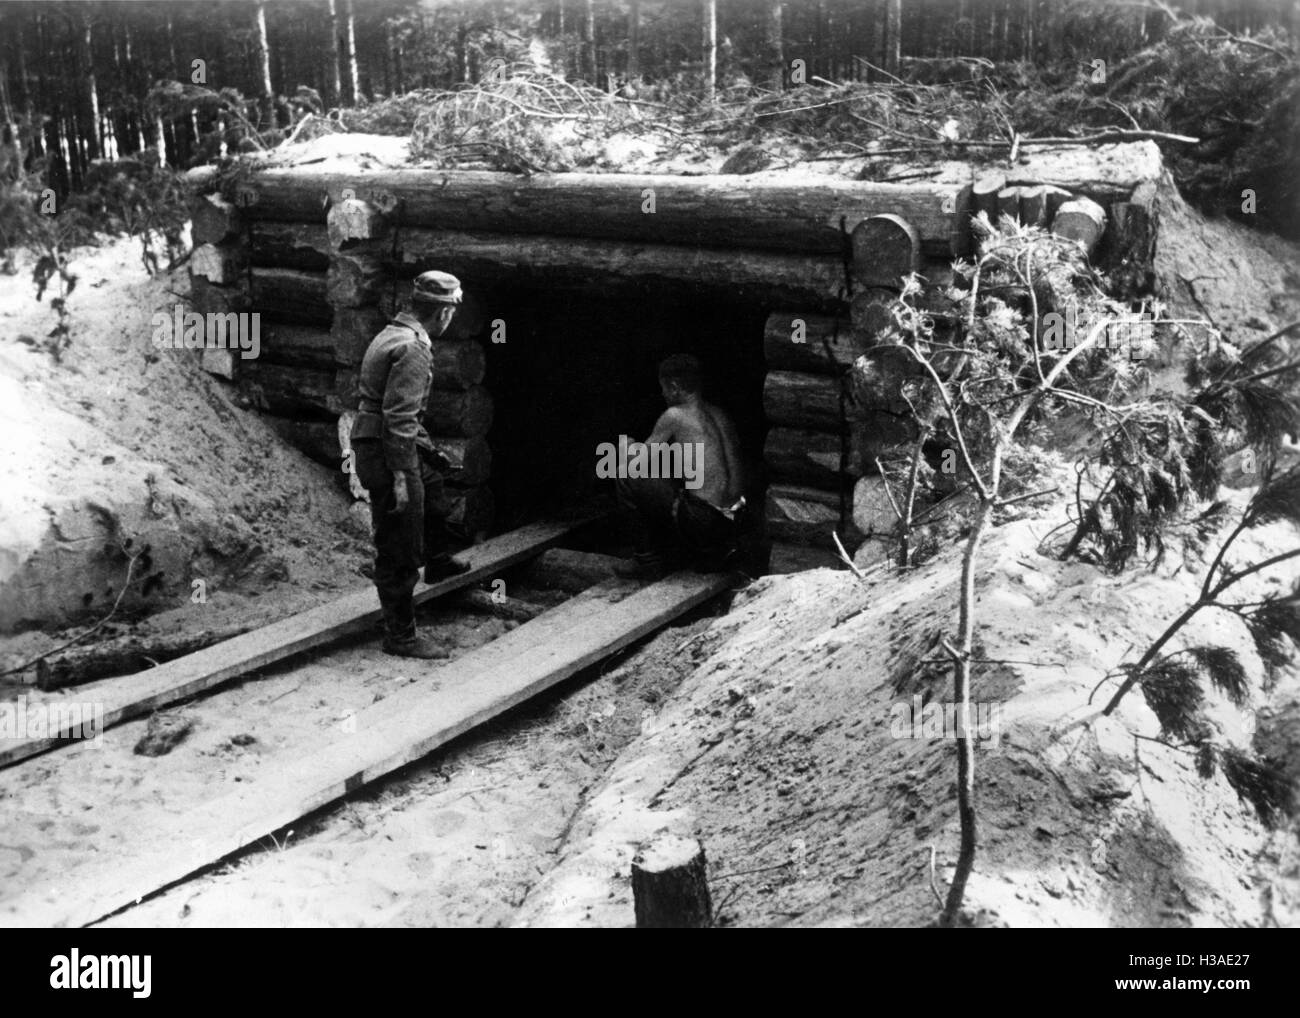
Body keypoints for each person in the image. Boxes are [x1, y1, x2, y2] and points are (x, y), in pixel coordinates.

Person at [350, 270, 471, 658]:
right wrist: (402, 476)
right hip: (386, 449)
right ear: (444, 313)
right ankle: (401, 636)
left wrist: (429, 453)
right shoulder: (413, 348)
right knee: (399, 539)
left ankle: (436, 560)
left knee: (433, 486)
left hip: (384, 440)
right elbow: (399, 418)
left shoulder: (394, 333)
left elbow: (400, 416)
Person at [614, 353, 747, 580]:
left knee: (626, 476)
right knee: (678, 480)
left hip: (706, 524)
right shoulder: (719, 414)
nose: (662, 394)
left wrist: (626, 445)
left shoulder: (674, 415)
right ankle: (709, 552)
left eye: (663, 388)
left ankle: (647, 562)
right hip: (735, 523)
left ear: (674, 387)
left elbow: (635, 464)